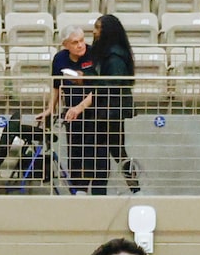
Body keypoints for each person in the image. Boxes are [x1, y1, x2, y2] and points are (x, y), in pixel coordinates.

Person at [87, 11, 137, 190]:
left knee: (107, 152)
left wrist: (85, 79)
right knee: (115, 151)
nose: (94, 32)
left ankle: (105, 189)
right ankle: (133, 186)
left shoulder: (114, 57)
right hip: (110, 110)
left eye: (97, 28)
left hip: (110, 111)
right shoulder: (112, 53)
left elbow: (112, 83)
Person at [50, 24, 101, 195]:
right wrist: (51, 108)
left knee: (92, 151)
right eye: (75, 42)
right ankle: (78, 189)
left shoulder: (94, 54)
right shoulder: (59, 59)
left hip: (93, 110)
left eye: (82, 40)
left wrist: (80, 107)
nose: (80, 45)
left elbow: (99, 88)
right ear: (66, 45)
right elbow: (56, 87)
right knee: (75, 149)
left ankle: (94, 190)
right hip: (71, 111)